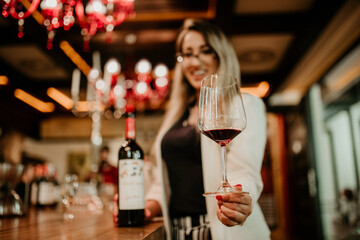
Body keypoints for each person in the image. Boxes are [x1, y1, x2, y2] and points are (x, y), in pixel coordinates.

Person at [114, 18, 270, 240]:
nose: (194, 62)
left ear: (221, 55)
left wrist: (240, 198)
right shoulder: (177, 115)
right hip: (178, 232)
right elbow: (163, 182)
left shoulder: (244, 104)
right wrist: (143, 207)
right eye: (187, 54)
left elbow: (245, 170)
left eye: (205, 51)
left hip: (224, 231)